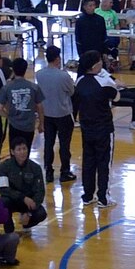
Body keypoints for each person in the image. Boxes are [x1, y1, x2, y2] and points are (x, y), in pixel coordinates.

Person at [74, 53, 118, 206]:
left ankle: (87, 195)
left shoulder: (79, 81)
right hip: (104, 128)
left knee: (89, 161)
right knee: (104, 162)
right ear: (94, 65)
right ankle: (103, 198)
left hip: (87, 129)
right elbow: (116, 96)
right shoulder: (104, 82)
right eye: (100, 62)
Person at [37, 45, 77, 185]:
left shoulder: (39, 74)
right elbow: (71, 92)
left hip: (47, 114)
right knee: (64, 145)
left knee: (49, 143)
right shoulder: (63, 76)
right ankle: (65, 171)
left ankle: (48, 171)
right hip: (63, 113)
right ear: (57, 58)